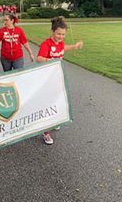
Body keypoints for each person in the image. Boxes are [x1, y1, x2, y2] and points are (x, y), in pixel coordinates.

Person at [37, 16, 83, 145]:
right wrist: (50, 61)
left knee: (56, 102)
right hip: (46, 79)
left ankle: (53, 122)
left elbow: (62, 48)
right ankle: (45, 132)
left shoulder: (60, 43)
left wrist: (75, 46)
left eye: (63, 34)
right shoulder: (46, 44)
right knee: (48, 104)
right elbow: (39, 58)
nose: (61, 37)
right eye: (58, 34)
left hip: (57, 78)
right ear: (52, 31)